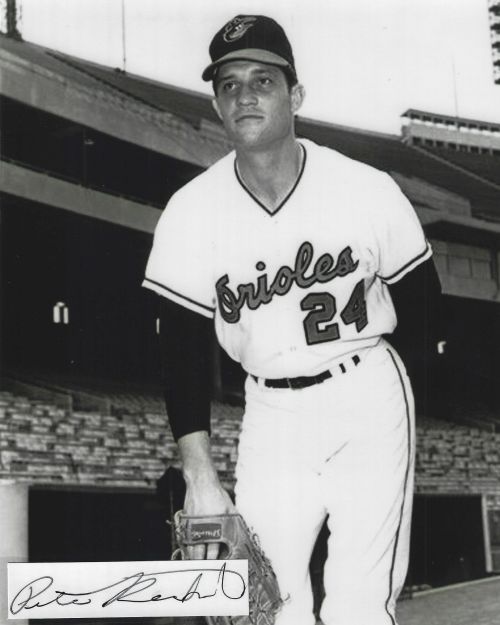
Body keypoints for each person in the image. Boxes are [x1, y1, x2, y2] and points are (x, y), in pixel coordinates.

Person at [143, 14, 442, 625]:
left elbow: (426, 308)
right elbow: (179, 350)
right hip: (271, 412)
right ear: (217, 105)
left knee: (360, 603)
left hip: (365, 390)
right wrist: (199, 477)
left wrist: (389, 404)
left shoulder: (365, 188)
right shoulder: (190, 212)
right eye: (229, 85)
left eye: (263, 80)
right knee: (262, 606)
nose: (244, 96)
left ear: (296, 95)